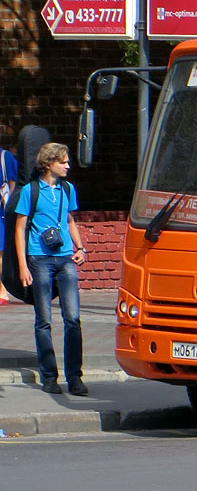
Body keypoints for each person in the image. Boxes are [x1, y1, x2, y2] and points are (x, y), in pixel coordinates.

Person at [14, 142, 87, 396]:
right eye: (63, 162)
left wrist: (81, 248)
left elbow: (69, 220)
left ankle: (75, 377)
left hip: (65, 258)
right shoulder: (30, 191)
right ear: (49, 164)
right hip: (40, 259)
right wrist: (23, 266)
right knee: (44, 320)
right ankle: (49, 377)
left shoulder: (68, 188)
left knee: (73, 319)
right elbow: (20, 228)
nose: (68, 166)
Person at [0, 145, 15, 304]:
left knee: (0, 253)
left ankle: (2, 291)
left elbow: (13, 184)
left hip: (1, 211)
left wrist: (9, 205)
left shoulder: (5, 157)